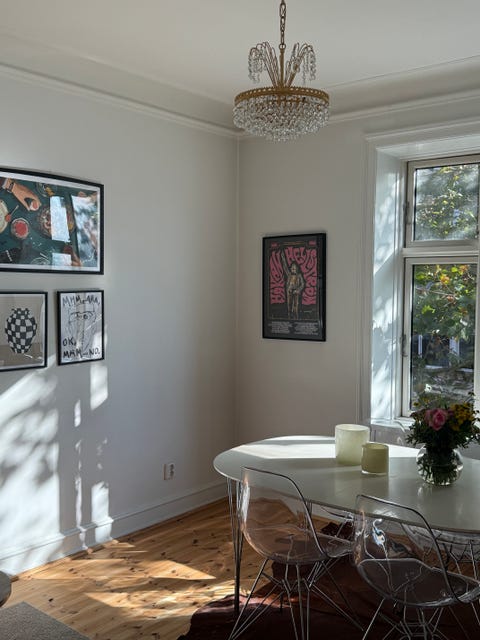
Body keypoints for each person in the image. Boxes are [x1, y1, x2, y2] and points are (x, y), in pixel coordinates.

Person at [281, 252, 305, 319]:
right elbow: (285, 267)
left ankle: (295, 318)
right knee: (289, 305)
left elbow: (302, 284)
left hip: (296, 292)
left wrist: (298, 290)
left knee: (295, 306)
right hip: (289, 291)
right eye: (292, 268)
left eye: (294, 268)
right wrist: (283, 258)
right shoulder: (289, 275)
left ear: (297, 269)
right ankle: (289, 318)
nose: (293, 270)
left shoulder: (299, 276)